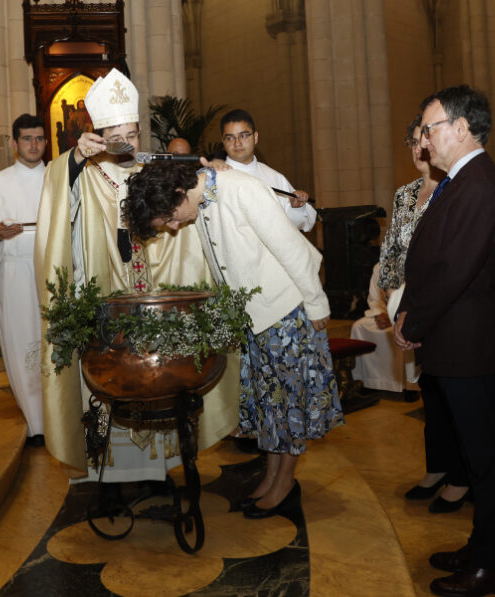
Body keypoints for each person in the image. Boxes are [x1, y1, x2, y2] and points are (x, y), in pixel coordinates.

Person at [35, 68, 239, 480]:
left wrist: (213, 171)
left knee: (163, 372)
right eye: (117, 135)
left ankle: (163, 466)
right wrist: (76, 158)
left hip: (159, 294)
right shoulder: (86, 172)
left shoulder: (155, 169)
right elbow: (58, 198)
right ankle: (110, 471)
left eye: (133, 134)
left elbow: (196, 197)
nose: (127, 144)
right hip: (108, 290)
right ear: (98, 134)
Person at [123, 161, 343, 518]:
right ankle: (272, 476)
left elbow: (293, 249)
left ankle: (285, 484)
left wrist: (317, 304)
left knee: (288, 407)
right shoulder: (201, 197)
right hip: (254, 319)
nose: (176, 227)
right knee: (271, 408)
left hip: (286, 311)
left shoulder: (241, 189)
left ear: (178, 194)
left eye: (171, 218)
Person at [394, 85, 495, 596]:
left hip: (465, 342)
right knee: (472, 454)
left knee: (485, 458)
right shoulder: (459, 180)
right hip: (453, 339)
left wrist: (413, 322)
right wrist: (404, 308)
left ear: (461, 128)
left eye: (430, 128)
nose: (423, 139)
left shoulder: (480, 185)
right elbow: (429, 257)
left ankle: (492, 568)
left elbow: (454, 270)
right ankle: (480, 548)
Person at [377, 117, 470, 509]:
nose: (419, 149)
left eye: (423, 140)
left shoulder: (453, 190)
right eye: (412, 142)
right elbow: (391, 251)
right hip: (407, 304)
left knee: (453, 394)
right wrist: (387, 296)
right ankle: (437, 468)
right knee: (429, 393)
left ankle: (462, 477)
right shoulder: (404, 195)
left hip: (442, 307)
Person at [0, 114, 48, 447]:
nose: (34, 145)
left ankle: (61, 414)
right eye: (27, 139)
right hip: (15, 273)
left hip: (54, 272)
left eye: (39, 138)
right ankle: (35, 423)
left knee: (55, 341)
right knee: (22, 343)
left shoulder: (58, 179)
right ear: (15, 143)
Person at [219, 109, 317, 232]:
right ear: (223, 141)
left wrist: (296, 207)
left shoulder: (274, 177)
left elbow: (302, 225)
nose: (237, 143)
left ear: (255, 137)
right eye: (230, 138)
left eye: (243, 135)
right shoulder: (214, 178)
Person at [350, 263, 419, 394]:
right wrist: (379, 314)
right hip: (385, 313)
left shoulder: (415, 260)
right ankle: (368, 381)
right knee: (359, 326)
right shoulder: (380, 266)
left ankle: (410, 387)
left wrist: (393, 315)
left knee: (403, 331)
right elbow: (375, 297)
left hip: (407, 315)